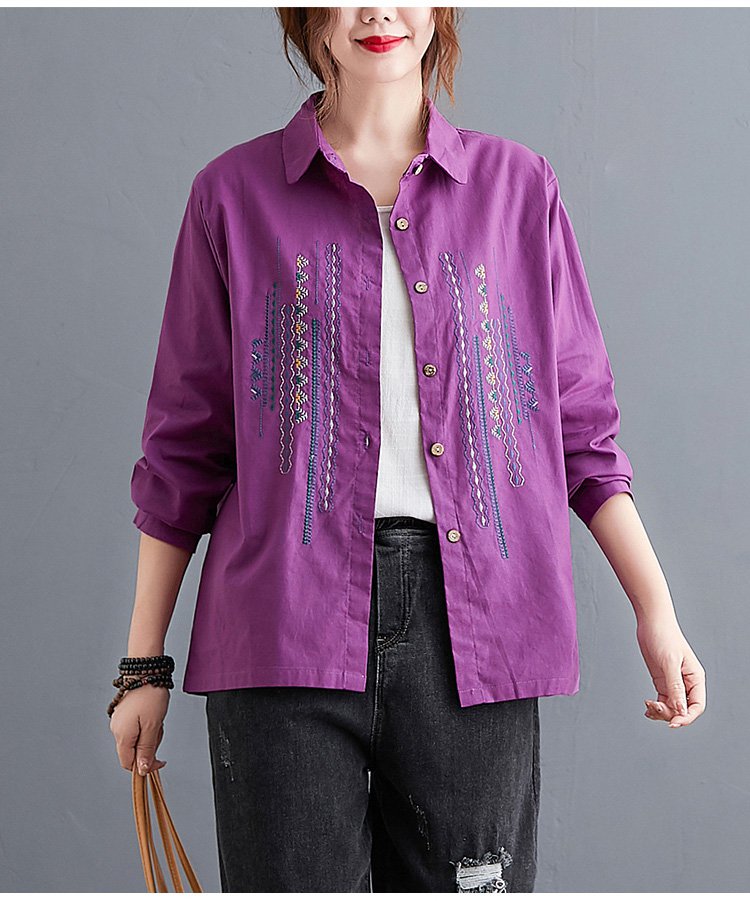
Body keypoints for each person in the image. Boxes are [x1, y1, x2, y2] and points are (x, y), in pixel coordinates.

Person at [109, 7, 706, 893]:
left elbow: (582, 431)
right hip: (280, 627)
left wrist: (655, 610)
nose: (379, 11)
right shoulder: (231, 196)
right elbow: (183, 451)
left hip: (481, 628)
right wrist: (142, 663)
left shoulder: (519, 190)